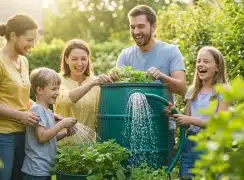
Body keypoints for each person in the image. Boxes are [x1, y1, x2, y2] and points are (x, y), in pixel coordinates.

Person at [111, 5, 187, 165]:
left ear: (153, 26)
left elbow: (182, 89)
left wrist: (162, 76)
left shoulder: (171, 51)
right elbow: (119, 94)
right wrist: (112, 79)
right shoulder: (125, 56)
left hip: (163, 126)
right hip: (130, 127)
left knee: (160, 171)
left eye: (141, 26)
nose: (136, 31)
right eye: (132, 27)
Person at [0, 14, 39, 180]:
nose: (33, 45)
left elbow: (22, 99)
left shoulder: (23, 61)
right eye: (29, 40)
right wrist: (20, 115)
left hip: (22, 134)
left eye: (34, 40)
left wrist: (44, 111)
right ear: (13, 35)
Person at [166, 46, 230, 179]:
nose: (201, 64)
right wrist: (174, 114)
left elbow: (219, 123)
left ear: (217, 67)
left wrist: (190, 120)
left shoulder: (223, 91)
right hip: (190, 146)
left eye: (206, 61)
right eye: (199, 61)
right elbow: (186, 121)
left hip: (212, 146)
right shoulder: (192, 91)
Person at [22, 68, 77, 180]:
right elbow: (42, 137)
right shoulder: (37, 110)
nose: (57, 92)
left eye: (58, 89)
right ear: (40, 90)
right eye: (53, 89)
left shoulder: (47, 112)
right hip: (36, 170)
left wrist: (65, 133)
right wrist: (61, 124)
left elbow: (50, 138)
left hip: (43, 169)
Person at [54, 39, 110, 143]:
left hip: (89, 148)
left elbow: (101, 115)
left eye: (84, 59)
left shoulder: (95, 83)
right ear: (66, 59)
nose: (80, 63)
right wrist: (91, 84)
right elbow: (64, 101)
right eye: (74, 59)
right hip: (62, 146)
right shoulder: (57, 80)